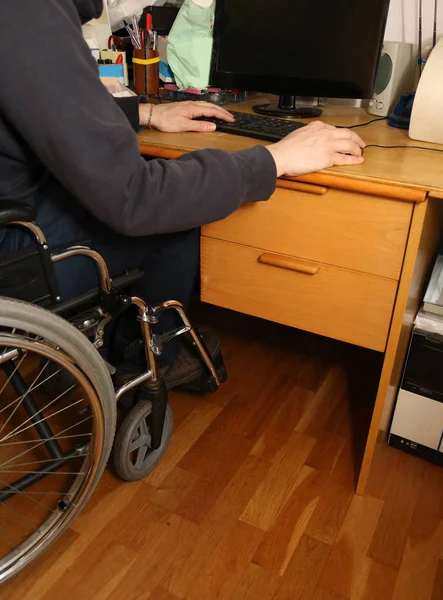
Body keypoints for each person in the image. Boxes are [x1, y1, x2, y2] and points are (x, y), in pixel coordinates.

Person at [0, 0, 365, 389]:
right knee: (174, 219)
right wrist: (274, 159)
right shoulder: (27, 9)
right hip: (14, 257)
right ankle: (145, 361)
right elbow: (137, 198)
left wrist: (145, 113)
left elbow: (35, 106)